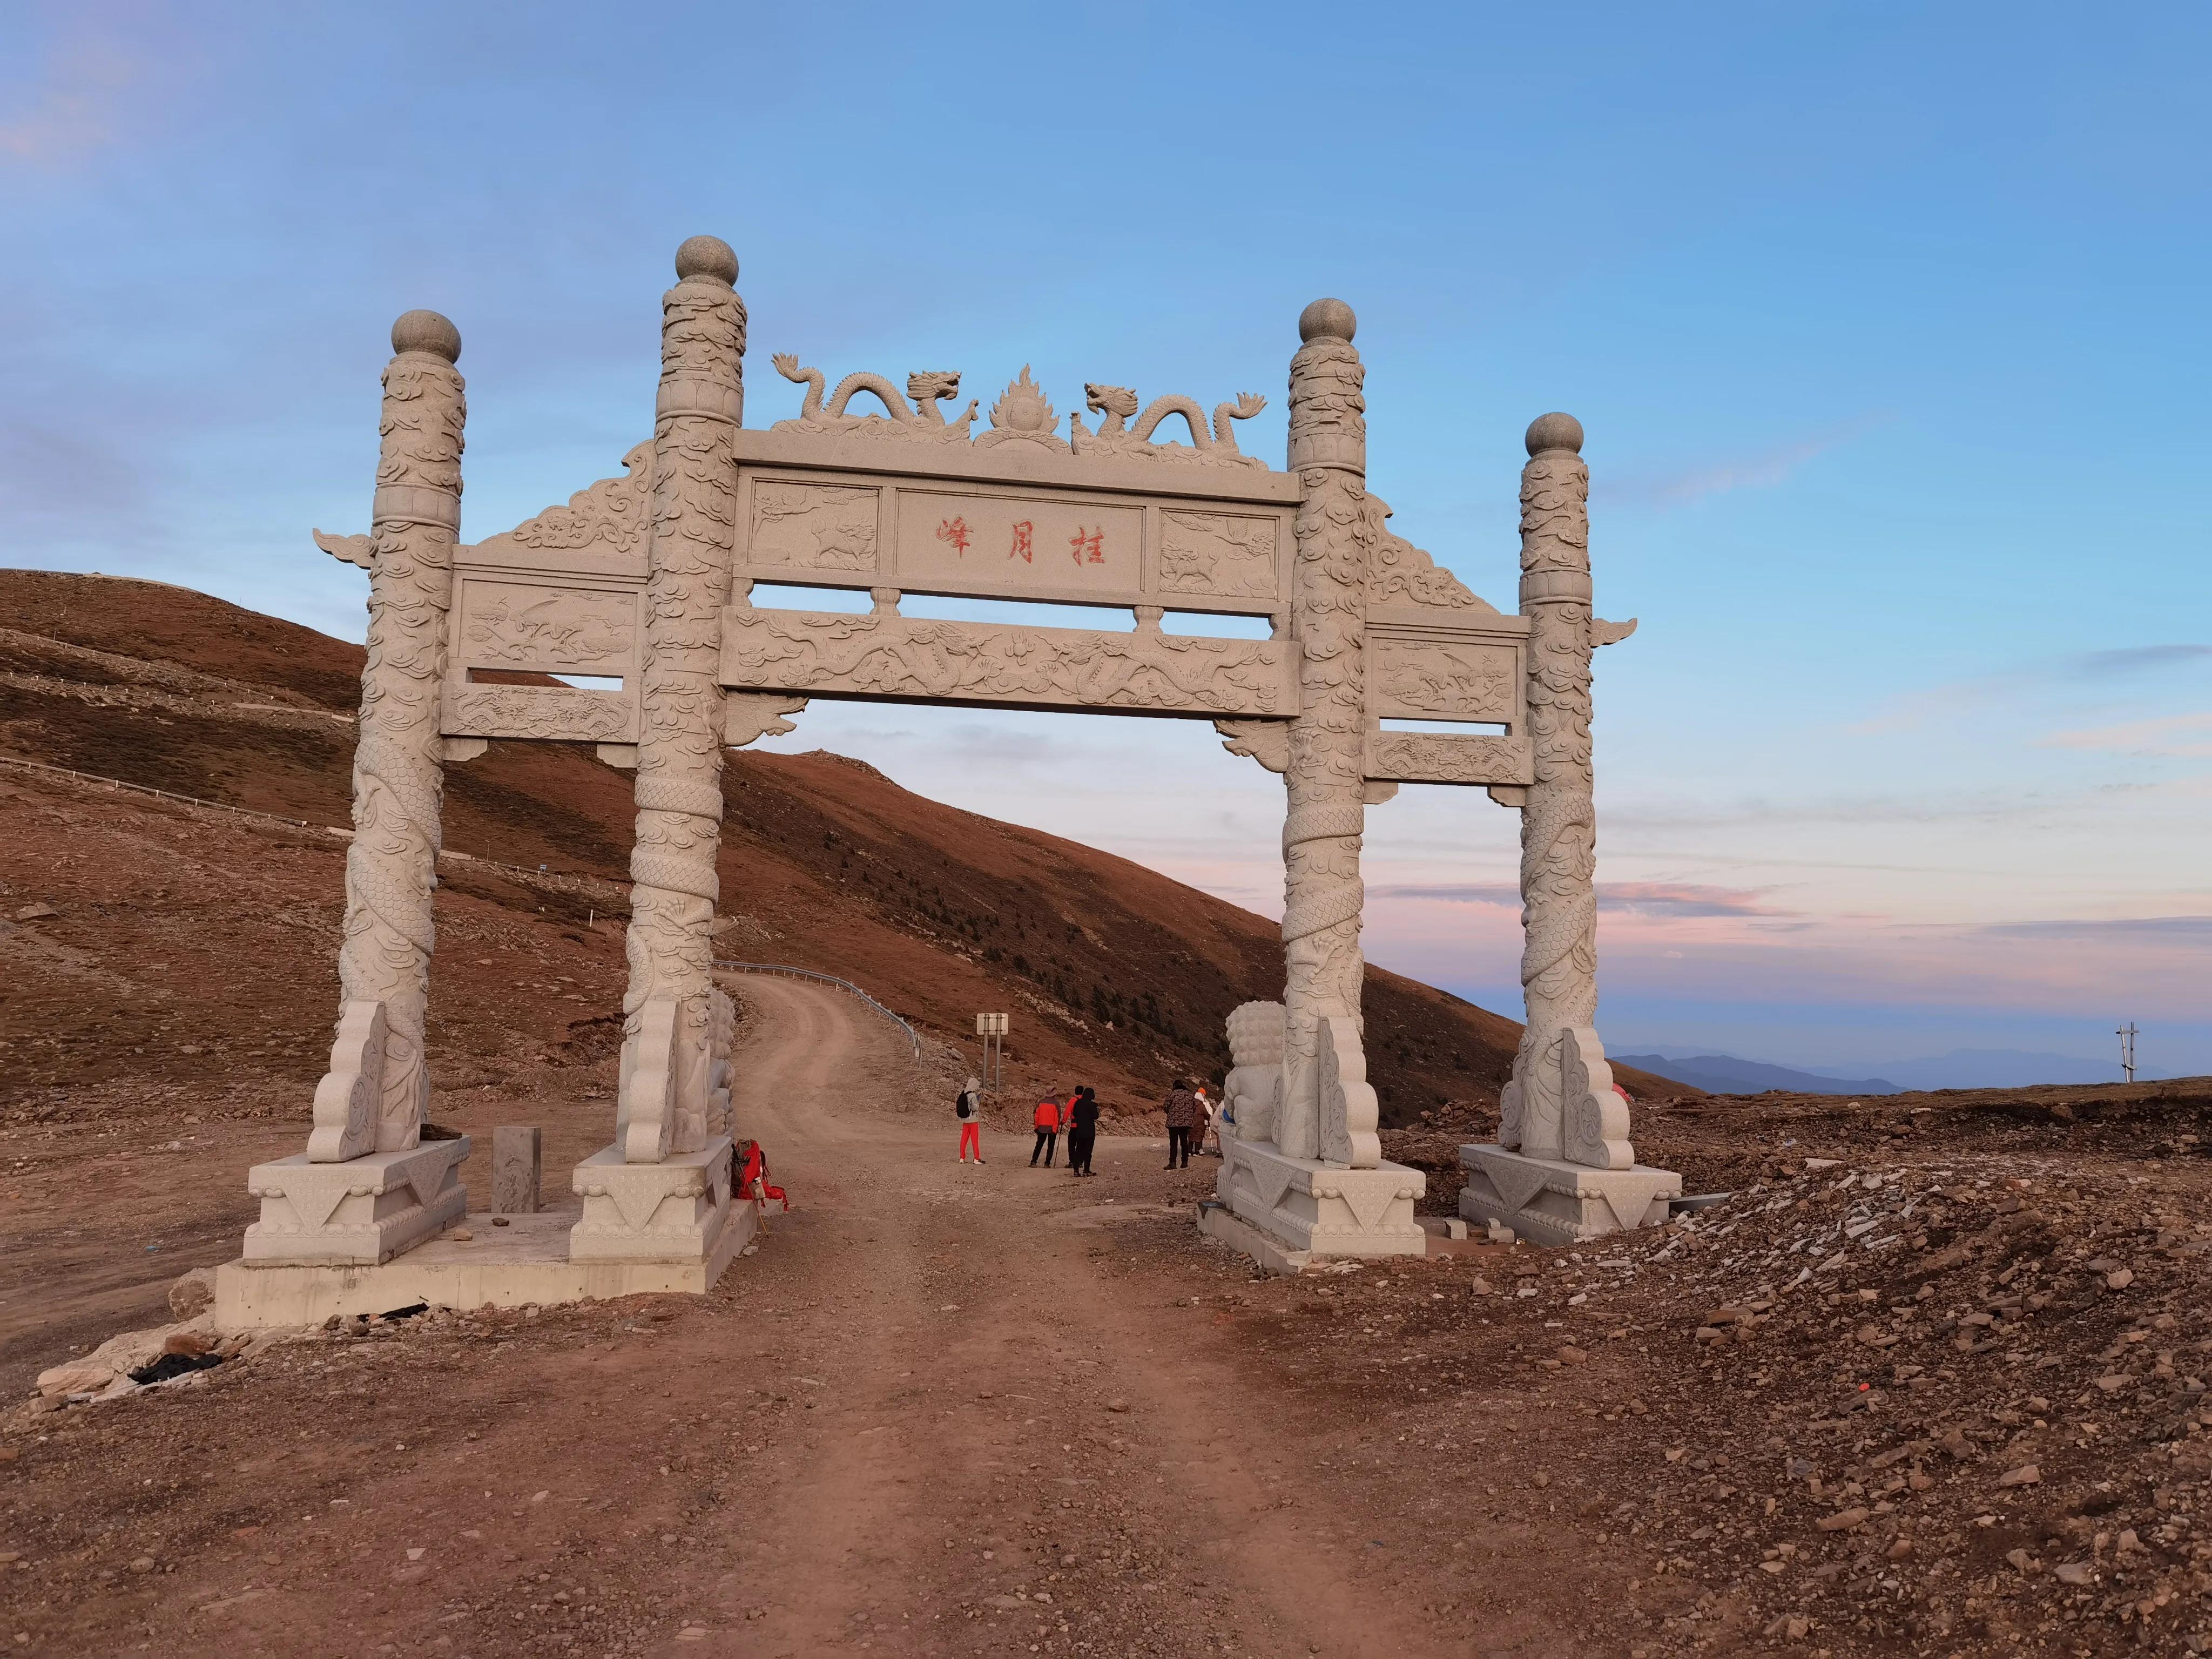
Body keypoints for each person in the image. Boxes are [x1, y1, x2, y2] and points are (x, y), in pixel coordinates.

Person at [1162, 1077, 1201, 1169]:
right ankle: (1184, 1162)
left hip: (1174, 1123)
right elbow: (1194, 1108)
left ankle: (1173, 1163)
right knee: (1184, 1142)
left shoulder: (1172, 1094)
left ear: (1175, 1086)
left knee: (1174, 1143)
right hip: (1185, 1123)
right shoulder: (1189, 1095)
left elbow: (1166, 1106)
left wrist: (1171, 1113)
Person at [1067, 1085, 1100, 1176]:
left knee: (1079, 1151)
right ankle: (1086, 1170)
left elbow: (1075, 1114)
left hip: (1080, 1130)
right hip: (1090, 1131)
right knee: (1088, 1152)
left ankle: (1076, 1170)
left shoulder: (1078, 1103)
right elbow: (1096, 1116)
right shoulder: (1092, 1105)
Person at [955, 1075, 985, 1164]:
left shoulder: (963, 1093)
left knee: (964, 1139)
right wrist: (978, 1101)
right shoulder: (972, 1095)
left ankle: (962, 1158)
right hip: (973, 1120)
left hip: (965, 1120)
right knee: (975, 1140)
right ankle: (976, 1158)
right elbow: (975, 1108)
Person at [1030, 1092, 1063, 1167]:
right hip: (1051, 1128)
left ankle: (1033, 1162)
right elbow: (1057, 1118)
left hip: (1041, 1127)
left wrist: (1036, 1127)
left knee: (1039, 1145)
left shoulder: (1040, 1103)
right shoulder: (1056, 1104)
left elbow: (1036, 1116)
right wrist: (1055, 1129)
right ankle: (1047, 1163)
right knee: (1051, 1146)